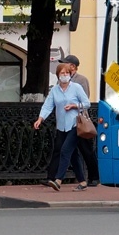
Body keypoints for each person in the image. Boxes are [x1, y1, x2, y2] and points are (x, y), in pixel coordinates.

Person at [34, 62, 90, 191]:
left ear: (70, 74)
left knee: (65, 150)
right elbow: (48, 105)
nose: (65, 75)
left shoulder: (76, 87)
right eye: (62, 73)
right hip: (61, 126)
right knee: (73, 154)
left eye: (67, 73)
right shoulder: (55, 90)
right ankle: (82, 182)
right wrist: (40, 119)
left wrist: (74, 106)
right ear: (58, 75)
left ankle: (58, 180)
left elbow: (86, 103)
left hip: (75, 125)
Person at [61, 54, 99, 186]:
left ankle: (94, 177)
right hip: (66, 120)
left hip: (80, 120)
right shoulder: (63, 79)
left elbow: (85, 99)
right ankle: (61, 177)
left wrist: (72, 103)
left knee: (86, 150)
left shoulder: (81, 80)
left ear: (72, 66)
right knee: (66, 150)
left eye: (66, 64)